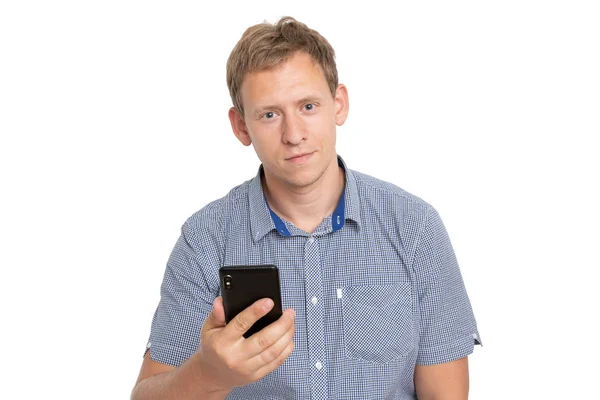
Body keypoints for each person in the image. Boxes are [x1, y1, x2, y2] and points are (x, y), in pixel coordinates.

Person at [131, 16, 481, 400]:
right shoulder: (206, 239)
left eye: (308, 106)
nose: (293, 135)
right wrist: (208, 373)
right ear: (241, 126)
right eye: (269, 114)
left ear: (339, 104)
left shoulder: (415, 228)